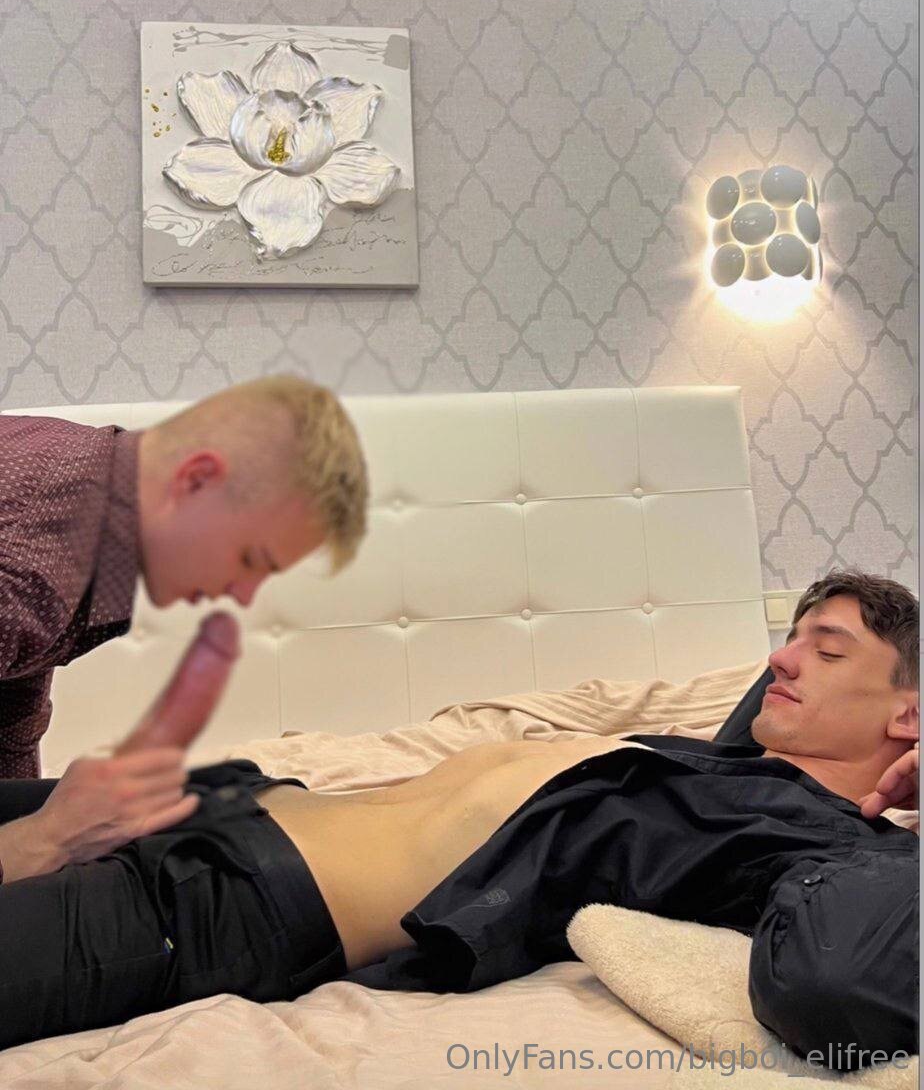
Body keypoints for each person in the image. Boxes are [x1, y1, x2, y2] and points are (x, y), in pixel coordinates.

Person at [0, 570, 917, 1067]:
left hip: (218, 904)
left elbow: (832, 985)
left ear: (908, 717)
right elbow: (763, 697)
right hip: (218, 804)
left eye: (826, 651)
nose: (782, 661)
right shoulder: (724, 763)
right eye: (787, 639)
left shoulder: (829, 846)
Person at [0, 375, 368, 869]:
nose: (242, 595)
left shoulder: (82, 493)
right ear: (195, 480)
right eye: (250, 559)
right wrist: (44, 840)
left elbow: (12, 717)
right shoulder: (31, 562)